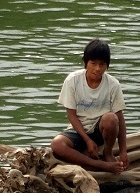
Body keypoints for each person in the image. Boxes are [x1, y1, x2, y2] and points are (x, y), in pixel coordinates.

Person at [51, 39, 129, 173]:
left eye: (102, 64)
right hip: (79, 130)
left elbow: (120, 119)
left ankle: (107, 153)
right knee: (56, 144)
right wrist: (87, 140)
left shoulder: (113, 84)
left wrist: (123, 151)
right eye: (93, 63)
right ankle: (99, 165)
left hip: (99, 130)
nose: (97, 69)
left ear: (107, 65)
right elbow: (71, 114)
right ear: (86, 63)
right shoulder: (73, 80)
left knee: (111, 118)